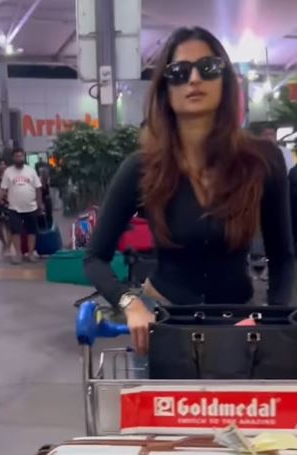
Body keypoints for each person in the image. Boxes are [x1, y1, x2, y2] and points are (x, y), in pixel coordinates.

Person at [84, 27, 294, 362]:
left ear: (225, 81)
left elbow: (283, 257)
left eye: (208, 68)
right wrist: (130, 302)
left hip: (239, 327)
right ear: (165, 90)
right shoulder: (142, 167)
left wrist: (274, 320)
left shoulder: (262, 161)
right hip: (162, 324)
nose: (194, 79)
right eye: (179, 72)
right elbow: (95, 257)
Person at [0, 148, 45, 263]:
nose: (19, 158)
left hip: (31, 207)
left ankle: (31, 254)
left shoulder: (31, 171)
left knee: (32, 231)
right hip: (14, 208)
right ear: (13, 158)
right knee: (16, 232)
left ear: (24, 157)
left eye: (21, 156)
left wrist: (40, 204)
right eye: (17, 156)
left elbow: (38, 188)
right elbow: (2, 189)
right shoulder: (8, 172)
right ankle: (18, 254)